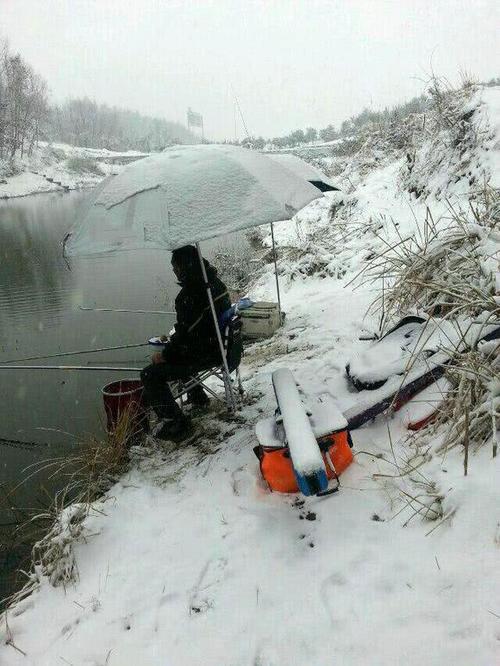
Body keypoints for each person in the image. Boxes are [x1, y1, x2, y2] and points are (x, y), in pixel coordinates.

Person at [141, 245, 231, 440]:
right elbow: (192, 330)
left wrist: (164, 355)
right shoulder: (215, 283)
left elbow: (185, 336)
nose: (174, 271)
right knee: (178, 350)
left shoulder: (190, 295)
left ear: (185, 267)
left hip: (206, 353)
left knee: (150, 374)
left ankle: (176, 423)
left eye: (175, 267)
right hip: (221, 347)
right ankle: (198, 397)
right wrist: (175, 342)